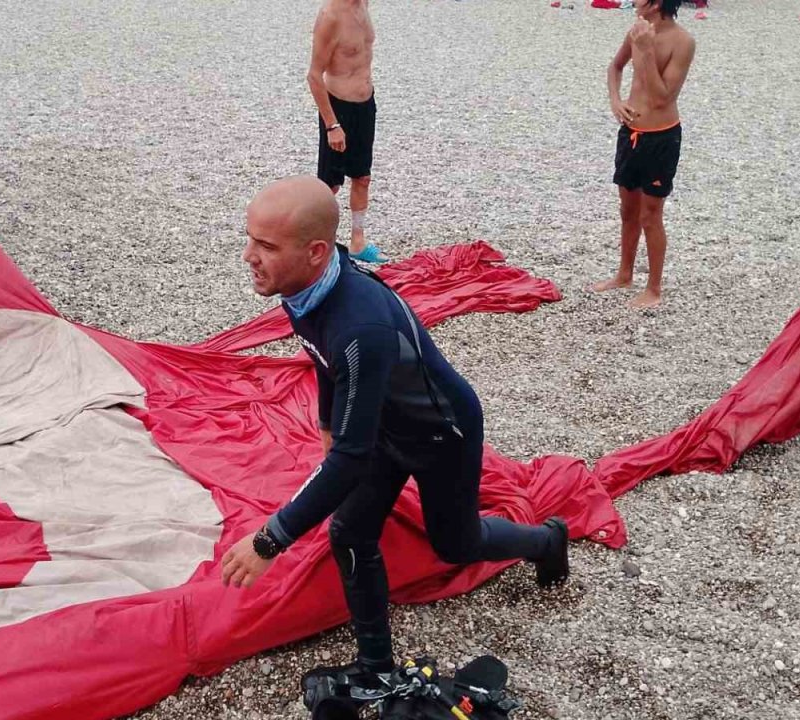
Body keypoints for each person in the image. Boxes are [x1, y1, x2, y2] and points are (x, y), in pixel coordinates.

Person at [222, 176, 570, 688]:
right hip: (384, 423)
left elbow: (349, 460)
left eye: (266, 245)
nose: (249, 255)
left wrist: (270, 541)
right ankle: (376, 667)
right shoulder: (305, 286)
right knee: (350, 531)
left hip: (441, 434)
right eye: (250, 238)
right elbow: (322, 360)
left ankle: (547, 540)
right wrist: (325, 421)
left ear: (317, 252)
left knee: (455, 543)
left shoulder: (362, 326)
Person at [591, 0, 695, 310]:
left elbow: (662, 97)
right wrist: (615, 100)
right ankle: (624, 275)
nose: (634, 2)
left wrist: (647, 51)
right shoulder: (636, 31)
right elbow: (615, 66)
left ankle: (654, 288)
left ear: (657, 3)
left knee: (651, 215)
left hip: (661, 137)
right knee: (627, 209)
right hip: (631, 133)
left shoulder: (683, 42)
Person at [308, 0, 386, 264]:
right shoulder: (330, 16)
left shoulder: (363, 4)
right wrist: (332, 125)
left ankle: (357, 241)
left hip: (365, 103)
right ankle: (313, 246)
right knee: (329, 186)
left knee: (362, 177)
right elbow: (314, 75)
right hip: (338, 108)